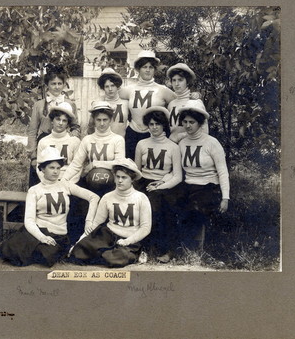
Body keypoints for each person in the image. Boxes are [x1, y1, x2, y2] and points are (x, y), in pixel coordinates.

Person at [0, 147, 99, 267]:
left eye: (58, 168)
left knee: (47, 255)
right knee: (13, 252)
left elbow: (94, 197)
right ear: (42, 169)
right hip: (39, 231)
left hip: (59, 235)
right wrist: (42, 237)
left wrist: (89, 222)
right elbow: (29, 220)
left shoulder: (66, 185)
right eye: (51, 168)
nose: (56, 172)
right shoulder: (35, 190)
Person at [169, 99, 229, 251]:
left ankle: (197, 251)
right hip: (189, 185)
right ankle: (177, 248)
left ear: (200, 123)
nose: (188, 126)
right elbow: (176, 170)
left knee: (195, 209)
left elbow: (222, 171)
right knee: (171, 204)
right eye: (185, 122)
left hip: (208, 186)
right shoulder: (182, 143)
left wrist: (225, 198)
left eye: (192, 122)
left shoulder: (211, 143)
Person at [69, 158, 152, 267]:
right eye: (117, 177)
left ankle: (134, 253)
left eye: (124, 177)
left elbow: (145, 228)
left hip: (129, 238)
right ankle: (107, 253)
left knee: (117, 258)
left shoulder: (141, 198)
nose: (120, 181)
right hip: (108, 235)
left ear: (132, 179)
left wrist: (128, 241)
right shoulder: (107, 197)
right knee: (78, 252)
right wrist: (79, 241)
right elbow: (97, 222)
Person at [134, 106, 182, 262]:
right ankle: (142, 249)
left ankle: (167, 250)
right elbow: (136, 172)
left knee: (162, 208)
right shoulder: (141, 144)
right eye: (151, 124)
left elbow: (177, 176)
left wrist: (160, 185)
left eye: (158, 124)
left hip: (164, 183)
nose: (154, 127)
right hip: (144, 182)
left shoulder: (173, 147)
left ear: (164, 126)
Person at [26, 68, 80, 186]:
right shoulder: (39, 105)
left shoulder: (70, 104)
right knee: (39, 178)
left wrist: (72, 137)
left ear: (64, 85)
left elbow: (76, 126)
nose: (56, 87)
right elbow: (32, 131)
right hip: (45, 142)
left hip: (63, 142)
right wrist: (33, 156)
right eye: (53, 84)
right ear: (47, 85)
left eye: (59, 83)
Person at [118, 50, 177, 159]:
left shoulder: (162, 90)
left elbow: (179, 100)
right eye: (144, 67)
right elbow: (112, 97)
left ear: (155, 69)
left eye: (151, 67)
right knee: (130, 165)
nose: (148, 70)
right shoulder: (129, 89)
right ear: (138, 69)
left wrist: (194, 96)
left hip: (154, 134)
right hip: (133, 134)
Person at [61, 101, 125, 194]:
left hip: (111, 186)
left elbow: (120, 164)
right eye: (98, 120)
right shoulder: (87, 139)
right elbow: (76, 164)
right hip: (91, 184)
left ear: (111, 120)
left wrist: (95, 164)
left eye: (105, 119)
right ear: (93, 120)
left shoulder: (118, 139)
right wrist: (63, 180)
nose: (102, 123)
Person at [36, 102, 81, 183]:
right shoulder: (44, 141)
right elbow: (39, 167)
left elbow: (78, 167)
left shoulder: (75, 141)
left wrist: (68, 183)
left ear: (67, 123)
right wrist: (46, 182)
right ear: (52, 121)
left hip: (69, 183)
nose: (60, 123)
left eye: (64, 121)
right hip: (49, 183)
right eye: (58, 119)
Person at [166, 63, 209, 143]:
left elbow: (204, 131)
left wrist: (180, 136)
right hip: (174, 148)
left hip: (191, 146)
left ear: (187, 81)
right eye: (174, 80)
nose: (176, 84)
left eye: (180, 80)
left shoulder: (195, 102)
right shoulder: (171, 104)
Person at [87, 68, 129, 137]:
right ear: (103, 88)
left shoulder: (126, 103)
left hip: (120, 142)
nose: (110, 89)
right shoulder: (97, 103)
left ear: (117, 86)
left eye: (112, 85)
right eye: (107, 86)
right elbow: (90, 127)